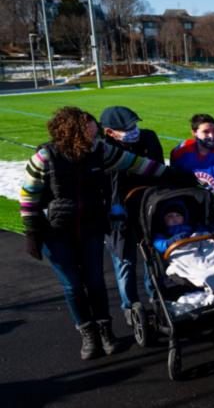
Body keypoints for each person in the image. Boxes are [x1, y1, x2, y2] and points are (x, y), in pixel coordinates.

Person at [20, 107, 191, 360]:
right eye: (91, 132)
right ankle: (88, 334)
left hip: (90, 226)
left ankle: (105, 330)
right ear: (74, 132)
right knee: (74, 286)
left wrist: (176, 175)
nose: (96, 135)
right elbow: (29, 198)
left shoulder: (100, 151)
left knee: (97, 283)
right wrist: (32, 232)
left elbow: (138, 164)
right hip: (57, 232)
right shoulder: (46, 157)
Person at [100, 106, 164, 326]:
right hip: (118, 212)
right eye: (126, 128)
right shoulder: (104, 148)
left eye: (134, 125)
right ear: (110, 132)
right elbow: (108, 186)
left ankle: (157, 295)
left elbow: (159, 169)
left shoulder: (149, 137)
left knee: (154, 256)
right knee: (125, 261)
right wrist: (114, 210)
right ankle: (130, 305)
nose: (133, 130)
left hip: (149, 205)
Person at [170, 114, 214, 284]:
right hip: (194, 212)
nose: (212, 135)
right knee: (201, 254)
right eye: (206, 132)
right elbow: (174, 178)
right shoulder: (180, 152)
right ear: (193, 133)